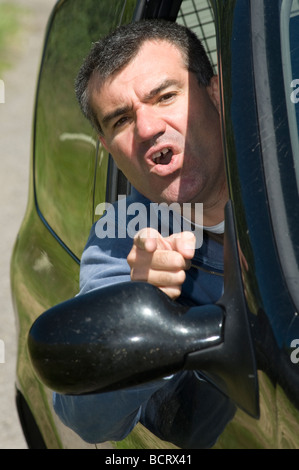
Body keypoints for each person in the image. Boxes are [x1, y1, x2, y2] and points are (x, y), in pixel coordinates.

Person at [53, 19, 236, 449]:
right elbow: (87, 416)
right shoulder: (121, 238)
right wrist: (139, 304)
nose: (148, 127)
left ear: (216, 93)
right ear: (108, 150)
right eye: (121, 120)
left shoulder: (287, 170)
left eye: (166, 96)